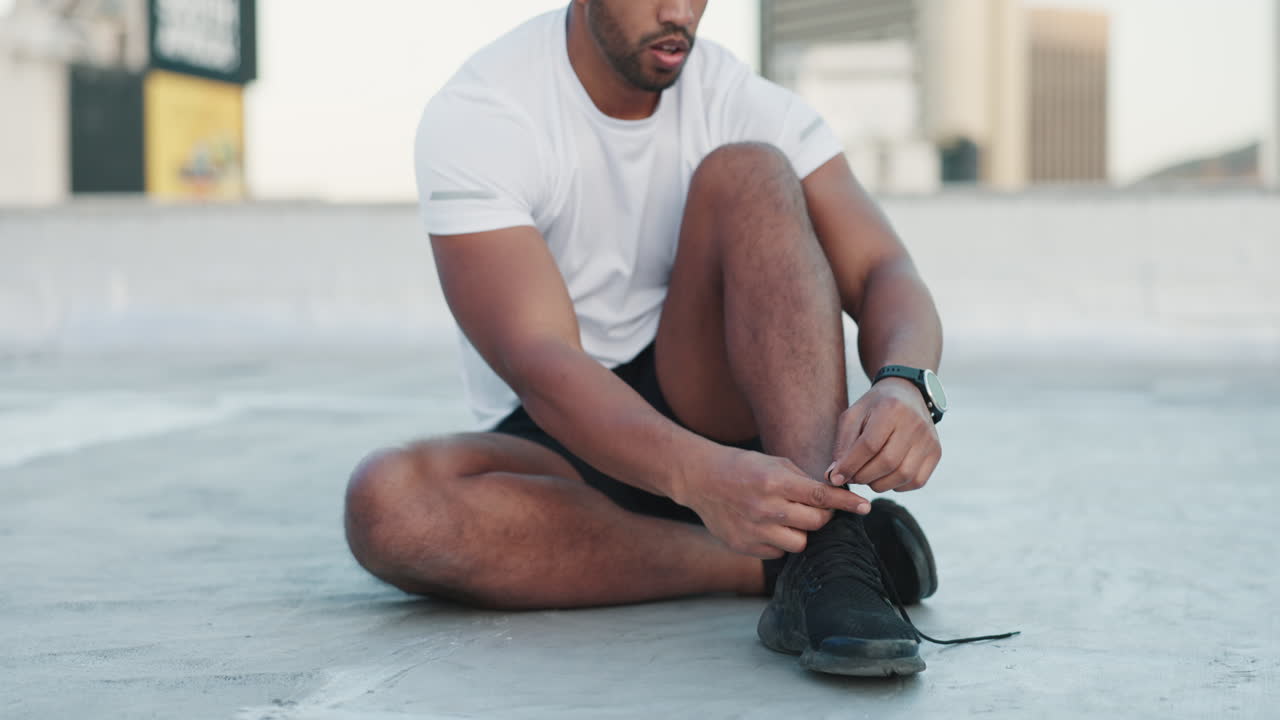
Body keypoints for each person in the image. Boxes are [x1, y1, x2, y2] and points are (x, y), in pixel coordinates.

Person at [345, 0, 956, 677]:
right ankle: (778, 561)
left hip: (705, 394)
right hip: (563, 432)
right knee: (389, 505)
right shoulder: (486, 111)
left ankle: (831, 554)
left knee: (750, 171)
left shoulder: (736, 99)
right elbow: (539, 358)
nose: (678, 12)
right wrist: (696, 478)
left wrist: (906, 382)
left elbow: (882, 269)